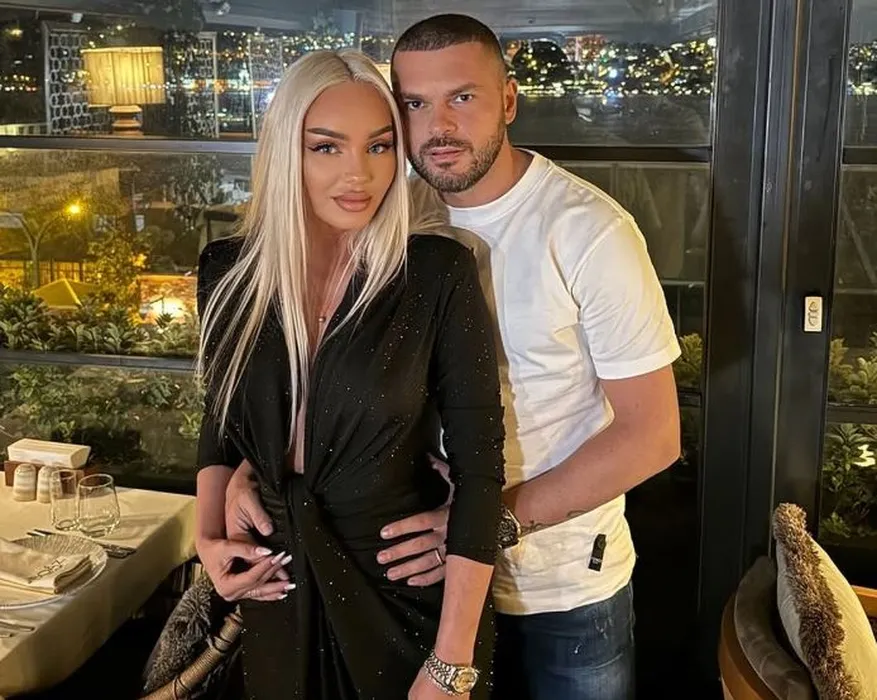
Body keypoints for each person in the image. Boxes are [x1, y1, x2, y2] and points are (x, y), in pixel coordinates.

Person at [225, 14, 682, 700]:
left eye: (462, 98)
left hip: (556, 588)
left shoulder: (588, 232)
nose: (438, 126)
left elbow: (652, 435)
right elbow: (328, 370)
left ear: (509, 100)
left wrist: (481, 524)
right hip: (410, 571)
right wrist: (253, 468)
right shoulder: (387, 211)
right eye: (414, 103)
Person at [193, 48, 505, 700]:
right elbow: (221, 420)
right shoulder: (227, 272)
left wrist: (452, 661)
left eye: (380, 146)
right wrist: (208, 539)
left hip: (406, 594)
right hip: (278, 583)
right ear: (288, 153)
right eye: (326, 147)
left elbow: (480, 469)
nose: (359, 173)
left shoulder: (434, 276)